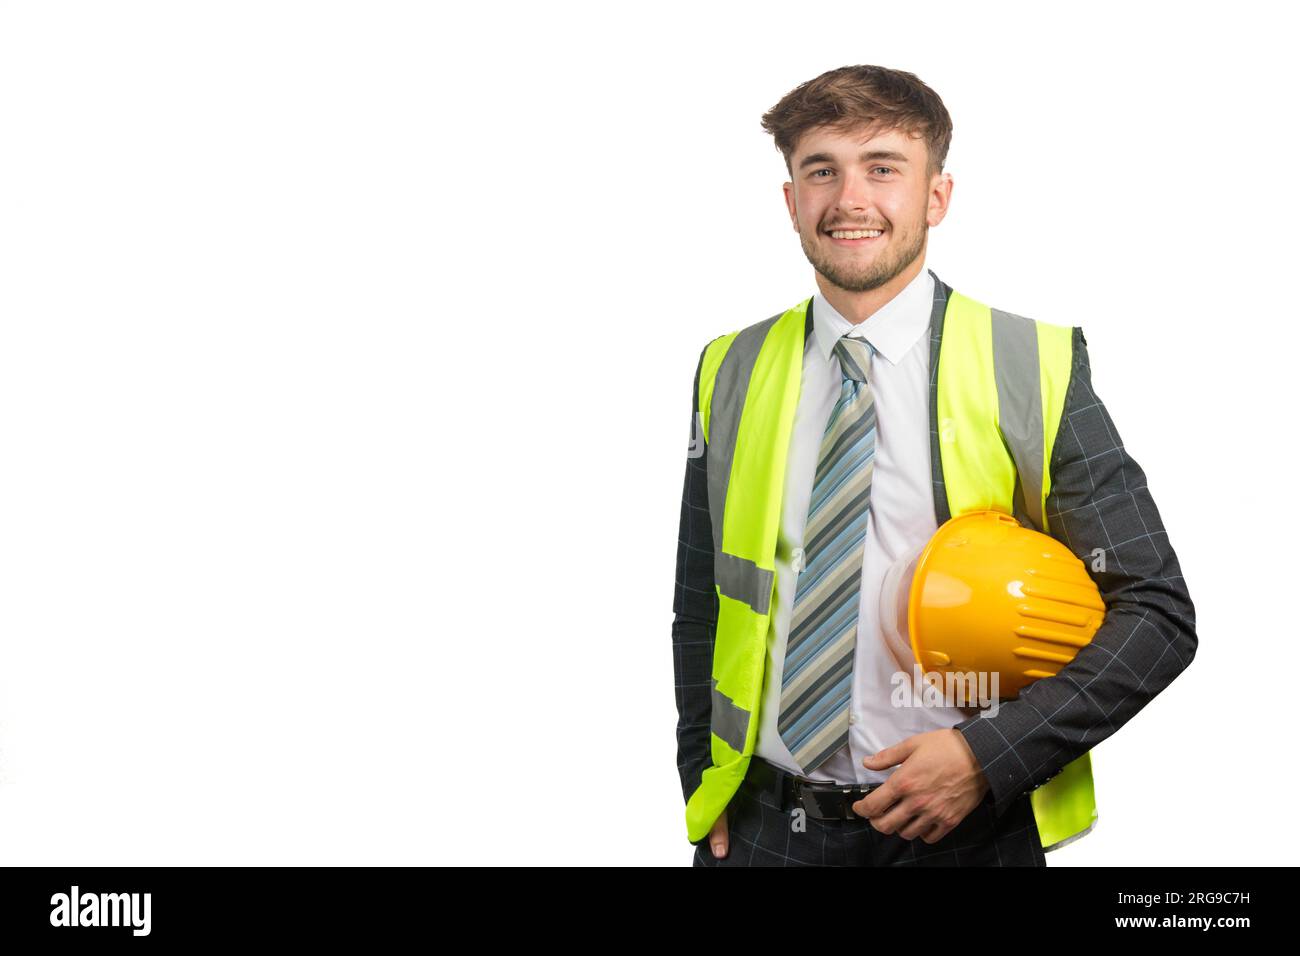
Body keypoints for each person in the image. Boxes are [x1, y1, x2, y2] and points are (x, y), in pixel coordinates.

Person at [671, 64, 1197, 867]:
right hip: (762, 830)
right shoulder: (729, 365)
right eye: (822, 171)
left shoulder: (1032, 362)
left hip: (962, 831)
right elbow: (703, 601)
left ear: (937, 197)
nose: (850, 200)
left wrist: (991, 755)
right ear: (791, 203)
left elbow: (1157, 614)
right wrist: (698, 780)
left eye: (883, 168)